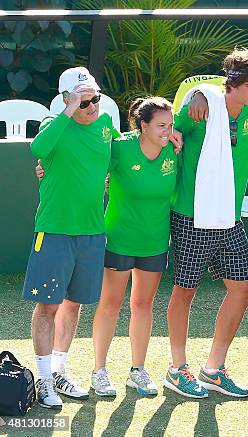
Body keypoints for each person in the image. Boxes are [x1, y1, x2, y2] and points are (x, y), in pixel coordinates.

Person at [165, 48, 248, 399]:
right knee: (185, 291)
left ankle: (213, 368)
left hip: (229, 217)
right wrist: (197, 94)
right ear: (233, 84)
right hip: (191, 215)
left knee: (244, 289)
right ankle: (177, 369)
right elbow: (168, 132)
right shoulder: (200, 106)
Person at [23, 67, 118, 409]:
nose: (92, 105)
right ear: (67, 100)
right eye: (83, 100)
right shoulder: (54, 124)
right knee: (48, 305)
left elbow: (118, 156)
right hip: (55, 230)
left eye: (95, 96)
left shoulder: (107, 123)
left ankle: (59, 371)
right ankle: (44, 380)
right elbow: (40, 146)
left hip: (92, 231)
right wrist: (68, 109)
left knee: (74, 304)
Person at [89, 97, 178, 397]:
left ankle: (137, 371)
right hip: (119, 239)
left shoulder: (175, 152)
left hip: (155, 242)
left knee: (142, 304)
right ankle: (99, 370)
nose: (167, 131)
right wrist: (45, 170)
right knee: (110, 304)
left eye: (171, 125)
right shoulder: (121, 147)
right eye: (161, 126)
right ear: (143, 125)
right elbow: (89, 160)